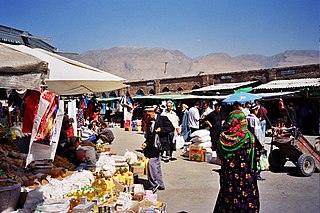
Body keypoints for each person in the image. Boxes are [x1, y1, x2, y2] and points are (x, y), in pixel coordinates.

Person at [214, 109, 260, 212]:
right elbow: (256, 156)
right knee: (246, 203)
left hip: (228, 177)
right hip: (246, 179)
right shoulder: (249, 137)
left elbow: (219, 156)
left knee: (227, 202)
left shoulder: (223, 138)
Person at [141, 106, 175, 193]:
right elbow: (150, 136)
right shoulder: (149, 122)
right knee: (157, 165)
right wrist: (146, 142)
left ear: (153, 112)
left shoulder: (162, 118)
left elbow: (171, 128)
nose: (148, 117)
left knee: (151, 164)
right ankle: (160, 184)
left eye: (149, 115)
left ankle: (154, 184)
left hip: (161, 145)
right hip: (153, 146)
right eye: (147, 115)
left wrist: (161, 129)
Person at [246, 103, 265, 181]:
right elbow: (257, 133)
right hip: (255, 142)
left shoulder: (246, 118)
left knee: (250, 157)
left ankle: (250, 172)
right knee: (256, 158)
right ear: (255, 110)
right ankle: (256, 174)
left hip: (248, 140)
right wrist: (261, 143)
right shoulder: (255, 119)